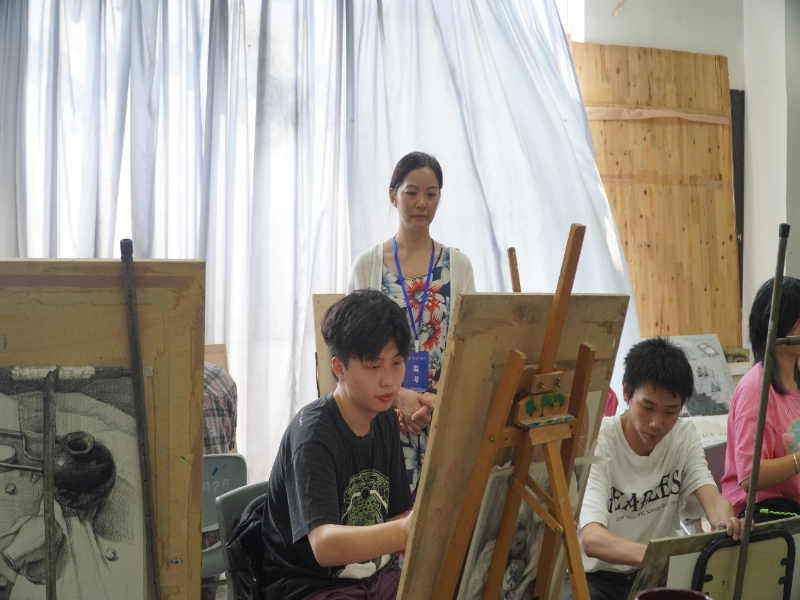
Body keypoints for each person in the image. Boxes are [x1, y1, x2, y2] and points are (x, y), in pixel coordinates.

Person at [261, 289, 414, 600]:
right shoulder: (313, 435)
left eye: (397, 362)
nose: (389, 380)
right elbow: (325, 545)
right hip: (310, 584)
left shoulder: (384, 416)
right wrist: (403, 531)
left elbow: (398, 514)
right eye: (374, 367)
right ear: (339, 368)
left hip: (374, 575)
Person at [569, 338, 743, 600]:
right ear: (626, 392)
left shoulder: (683, 436)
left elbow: (712, 498)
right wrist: (658, 555)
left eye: (670, 411)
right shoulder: (599, 441)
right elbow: (593, 538)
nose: (656, 423)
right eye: (647, 407)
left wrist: (726, 523)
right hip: (595, 577)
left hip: (655, 573)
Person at [348, 151, 475, 500]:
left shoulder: (458, 265)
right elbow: (352, 352)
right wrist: (398, 397)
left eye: (431, 194)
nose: (422, 203)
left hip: (442, 416)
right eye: (412, 192)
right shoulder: (367, 266)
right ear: (393, 195)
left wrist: (436, 400)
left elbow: (469, 347)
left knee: (441, 515)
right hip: (382, 415)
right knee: (387, 515)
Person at [722, 276, 800, 521]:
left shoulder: (795, 378)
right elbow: (749, 476)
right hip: (762, 513)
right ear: (779, 326)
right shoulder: (755, 389)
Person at [201, 362, 238, 600]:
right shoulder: (223, 381)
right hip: (217, 541)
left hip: (163, 538)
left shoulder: (146, 383)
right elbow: (229, 449)